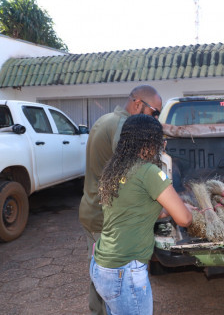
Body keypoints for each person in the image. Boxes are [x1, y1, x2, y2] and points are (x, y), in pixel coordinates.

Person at [90, 114, 192, 315]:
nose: (162, 145)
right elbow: (185, 219)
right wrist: (192, 211)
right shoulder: (149, 172)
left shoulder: (113, 169)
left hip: (103, 266)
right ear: (150, 142)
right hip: (125, 272)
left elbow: (134, 211)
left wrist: (166, 212)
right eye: (160, 140)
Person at [79, 85, 163, 315]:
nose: (156, 119)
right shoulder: (123, 128)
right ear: (138, 104)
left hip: (91, 208)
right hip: (104, 217)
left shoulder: (106, 119)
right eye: (155, 112)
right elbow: (132, 174)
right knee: (114, 279)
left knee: (100, 278)